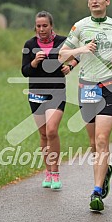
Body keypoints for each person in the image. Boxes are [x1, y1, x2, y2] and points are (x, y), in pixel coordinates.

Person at [59, 0, 112, 211]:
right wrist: (81, 50)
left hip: (109, 85)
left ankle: (96, 191)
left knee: (101, 140)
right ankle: (105, 170)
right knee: (92, 143)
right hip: (87, 87)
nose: (95, 1)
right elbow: (61, 54)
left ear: (107, 1)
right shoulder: (79, 26)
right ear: (88, 2)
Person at [21, 11, 78, 190]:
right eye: (38, 26)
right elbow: (24, 71)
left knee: (52, 130)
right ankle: (47, 172)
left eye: (45, 25)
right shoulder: (29, 45)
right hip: (36, 93)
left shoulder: (63, 42)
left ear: (51, 25)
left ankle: (56, 172)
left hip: (56, 92)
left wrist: (70, 66)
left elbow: (78, 55)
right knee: (44, 134)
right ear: (35, 27)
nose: (41, 29)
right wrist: (34, 63)